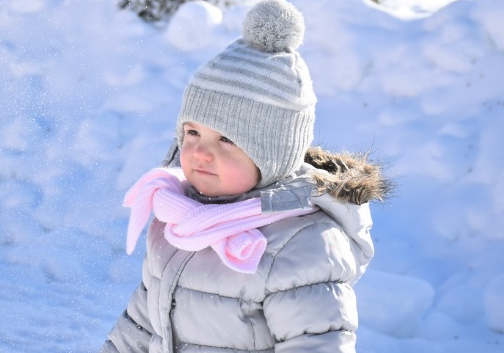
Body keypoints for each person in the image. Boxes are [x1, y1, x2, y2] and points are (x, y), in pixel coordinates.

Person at [100, 0, 390, 352]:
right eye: (193, 133)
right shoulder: (179, 217)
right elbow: (144, 321)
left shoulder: (302, 243)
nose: (201, 152)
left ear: (273, 155)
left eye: (227, 139)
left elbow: (317, 344)